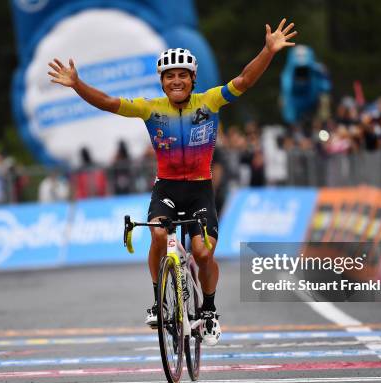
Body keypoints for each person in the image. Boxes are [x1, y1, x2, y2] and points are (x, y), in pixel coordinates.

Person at [48, 18, 297, 346]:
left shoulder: (209, 102)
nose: (176, 80)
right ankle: (157, 301)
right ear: (162, 82)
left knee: (203, 252)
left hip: (199, 190)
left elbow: (244, 80)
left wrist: (267, 51)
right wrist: (78, 84)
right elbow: (109, 103)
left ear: (192, 79)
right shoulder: (150, 109)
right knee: (158, 234)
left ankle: (208, 311)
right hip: (166, 187)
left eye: (182, 75)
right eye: (170, 76)